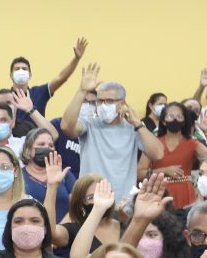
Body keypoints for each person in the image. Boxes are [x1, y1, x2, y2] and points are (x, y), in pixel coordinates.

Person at [61, 64, 163, 200]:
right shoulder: (89, 123)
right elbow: (66, 126)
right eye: (100, 101)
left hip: (123, 204)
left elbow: (157, 154)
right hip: (91, 202)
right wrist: (82, 91)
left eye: (109, 101)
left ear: (122, 103)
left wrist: (138, 124)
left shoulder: (133, 127)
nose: (103, 105)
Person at [139, 103, 207, 209]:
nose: (175, 120)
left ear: (184, 121)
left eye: (179, 116)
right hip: (158, 192)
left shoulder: (192, 143)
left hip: (186, 194)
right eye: (170, 116)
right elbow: (139, 173)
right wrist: (164, 170)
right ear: (163, 121)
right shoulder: (153, 144)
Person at [5, 42, 86, 125]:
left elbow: (60, 78)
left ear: (30, 75)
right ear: (11, 75)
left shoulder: (39, 92)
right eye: (17, 69)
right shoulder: (3, 97)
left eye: (24, 69)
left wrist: (76, 59)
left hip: (36, 133)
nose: (21, 71)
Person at [21, 127, 76, 221]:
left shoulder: (64, 174)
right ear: (28, 149)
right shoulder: (18, 176)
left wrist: (60, 228)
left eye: (51, 145)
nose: (47, 148)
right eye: (41, 144)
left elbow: (77, 205)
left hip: (64, 227)